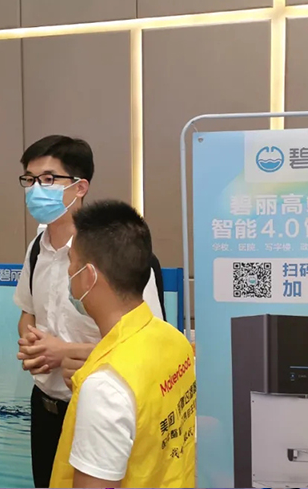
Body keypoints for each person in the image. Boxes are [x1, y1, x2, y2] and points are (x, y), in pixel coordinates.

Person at [13, 135, 164, 487]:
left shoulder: (116, 256)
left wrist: (65, 352)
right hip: (45, 407)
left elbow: (150, 347)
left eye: (49, 179)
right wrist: (32, 343)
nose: (37, 189)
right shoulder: (36, 247)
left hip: (99, 411)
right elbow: (28, 311)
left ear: (80, 187)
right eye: (30, 180)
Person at [50, 200, 196, 488]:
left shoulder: (105, 387)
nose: (68, 273)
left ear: (89, 276)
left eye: (71, 262)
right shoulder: (175, 341)